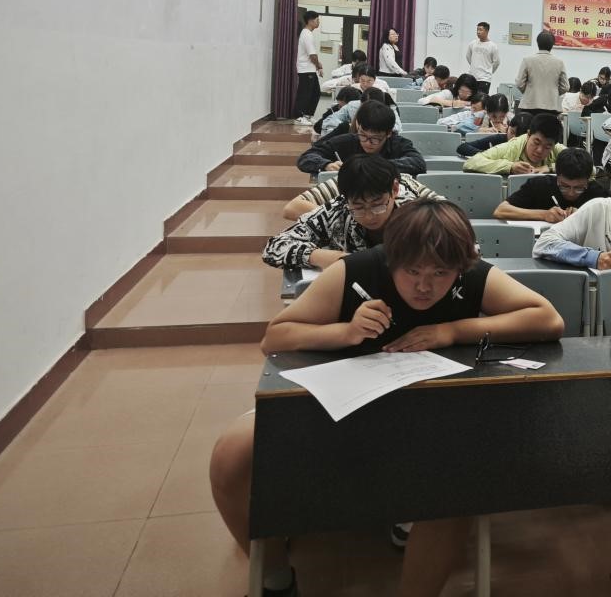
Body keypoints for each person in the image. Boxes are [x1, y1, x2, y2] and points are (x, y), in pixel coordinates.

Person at [210, 199, 565, 597]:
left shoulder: (470, 273)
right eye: (412, 271)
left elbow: (548, 319)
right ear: (391, 259)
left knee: (460, 479)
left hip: (431, 415)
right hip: (342, 402)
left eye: (440, 273)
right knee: (232, 454)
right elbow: (274, 338)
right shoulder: (356, 270)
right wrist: (345, 332)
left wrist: (451, 330)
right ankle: (275, 577)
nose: (424, 286)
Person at [265, 155, 440, 266]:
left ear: (394, 190)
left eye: (378, 205)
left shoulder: (418, 210)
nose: (369, 216)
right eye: (359, 207)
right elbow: (275, 246)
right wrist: (332, 258)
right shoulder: (339, 210)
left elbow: (452, 230)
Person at [297, 101, 426, 177]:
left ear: (388, 133)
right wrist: (326, 165)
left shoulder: (398, 143)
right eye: (363, 135)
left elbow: (418, 163)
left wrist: (375, 166)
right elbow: (306, 158)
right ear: (358, 126)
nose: (367, 143)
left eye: (375, 138)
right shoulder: (346, 141)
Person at [493, 148, 607, 223]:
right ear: (557, 176)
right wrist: (544, 215)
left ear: (588, 181)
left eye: (579, 188)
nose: (571, 193)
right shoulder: (539, 185)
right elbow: (500, 211)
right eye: (564, 186)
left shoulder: (597, 193)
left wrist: (584, 216)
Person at [462, 112, 563, 175]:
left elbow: (574, 160)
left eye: (547, 147)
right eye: (536, 142)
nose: (539, 150)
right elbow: (471, 162)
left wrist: (550, 168)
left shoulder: (556, 148)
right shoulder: (511, 147)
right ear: (528, 135)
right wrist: (510, 167)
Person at [514, 31, 568, 117]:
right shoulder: (559, 63)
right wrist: (554, 92)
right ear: (552, 45)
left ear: (537, 43)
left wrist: (528, 92)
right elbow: (565, 87)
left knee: (529, 125)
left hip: (529, 105)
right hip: (552, 106)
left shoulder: (527, 60)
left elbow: (519, 83)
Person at [459, 110, 532, 159]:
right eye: (512, 132)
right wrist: (491, 154)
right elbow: (463, 147)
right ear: (508, 128)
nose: (514, 138)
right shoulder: (500, 138)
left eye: (519, 136)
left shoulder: (532, 149)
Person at [294, 10, 323, 123]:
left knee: (316, 92)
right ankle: (299, 116)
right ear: (310, 21)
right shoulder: (306, 34)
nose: (318, 22)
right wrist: (318, 65)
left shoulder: (308, 33)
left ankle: (307, 115)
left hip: (309, 69)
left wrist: (317, 65)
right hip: (305, 69)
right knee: (304, 93)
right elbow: (312, 55)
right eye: (317, 20)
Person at [464, 21, 500, 94]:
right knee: (471, 97)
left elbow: (497, 62)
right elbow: (468, 56)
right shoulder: (473, 43)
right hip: (472, 77)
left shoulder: (493, 46)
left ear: (487, 31)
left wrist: (489, 71)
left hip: (484, 79)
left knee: (481, 98)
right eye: (477, 30)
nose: (478, 32)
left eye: (480, 30)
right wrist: (474, 65)